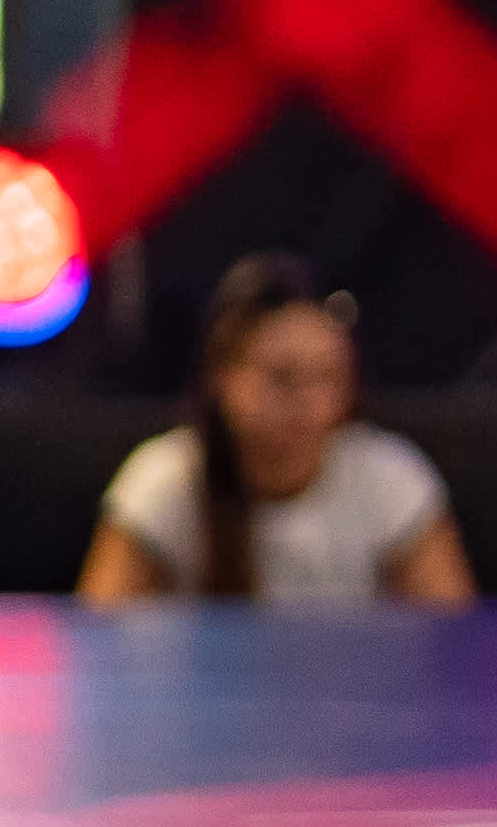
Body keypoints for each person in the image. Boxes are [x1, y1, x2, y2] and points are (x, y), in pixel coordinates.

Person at [77, 255, 475, 604]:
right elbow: (99, 639)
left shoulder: (391, 479)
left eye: (328, 377)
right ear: (220, 376)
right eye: (283, 378)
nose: (312, 403)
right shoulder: (164, 480)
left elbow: (452, 642)